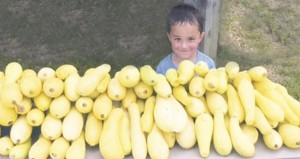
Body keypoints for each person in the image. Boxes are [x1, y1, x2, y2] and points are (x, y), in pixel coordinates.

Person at [156, 3, 216, 75]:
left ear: (200, 37)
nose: (184, 46)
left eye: (190, 39)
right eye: (178, 39)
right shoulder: (163, 68)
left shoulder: (208, 65)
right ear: (170, 37)